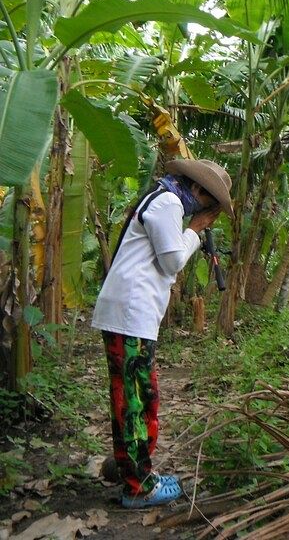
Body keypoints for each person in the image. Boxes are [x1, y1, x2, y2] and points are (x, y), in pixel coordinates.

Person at [92, 159, 233, 508]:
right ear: (199, 191)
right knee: (136, 401)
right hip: (130, 313)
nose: (204, 213)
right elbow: (171, 261)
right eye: (208, 206)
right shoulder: (169, 202)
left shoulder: (163, 196)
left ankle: (139, 472)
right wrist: (195, 230)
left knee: (138, 397)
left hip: (130, 313)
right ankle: (138, 487)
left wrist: (192, 229)